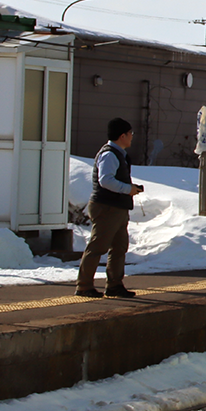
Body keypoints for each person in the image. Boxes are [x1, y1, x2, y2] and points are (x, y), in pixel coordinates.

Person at [76, 117, 144, 298]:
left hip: (117, 207)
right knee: (98, 246)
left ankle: (114, 285)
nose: (132, 137)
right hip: (107, 207)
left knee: (119, 247)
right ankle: (84, 286)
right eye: (130, 134)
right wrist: (127, 189)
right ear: (122, 135)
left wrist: (129, 189)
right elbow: (105, 180)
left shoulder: (118, 154)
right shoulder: (109, 154)